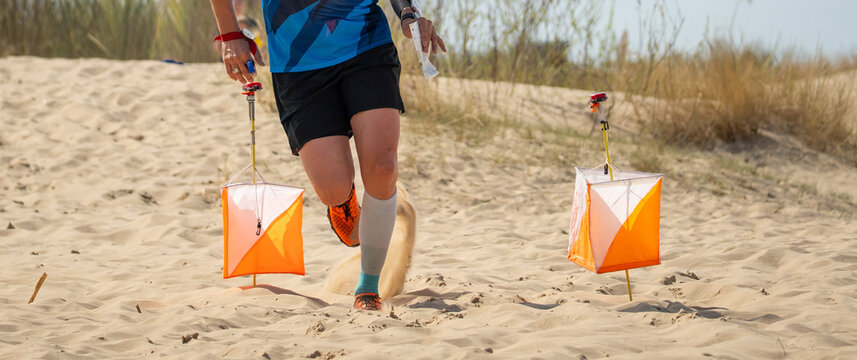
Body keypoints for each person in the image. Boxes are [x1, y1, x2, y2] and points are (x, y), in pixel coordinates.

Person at [210, 0, 446, 310]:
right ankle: (344, 202)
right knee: (332, 187)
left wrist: (408, 14)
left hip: (366, 45)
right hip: (298, 64)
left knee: (382, 167)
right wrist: (230, 35)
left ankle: (368, 287)